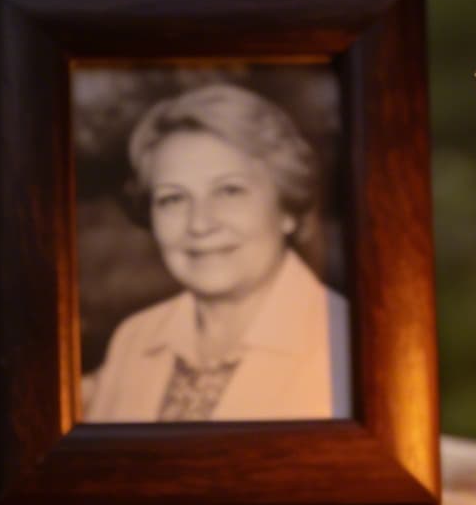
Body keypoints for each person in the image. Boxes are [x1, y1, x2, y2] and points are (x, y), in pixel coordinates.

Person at [81, 82, 351, 423]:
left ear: (287, 208)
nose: (199, 224)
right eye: (173, 198)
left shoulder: (347, 344)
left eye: (229, 191)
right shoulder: (135, 339)